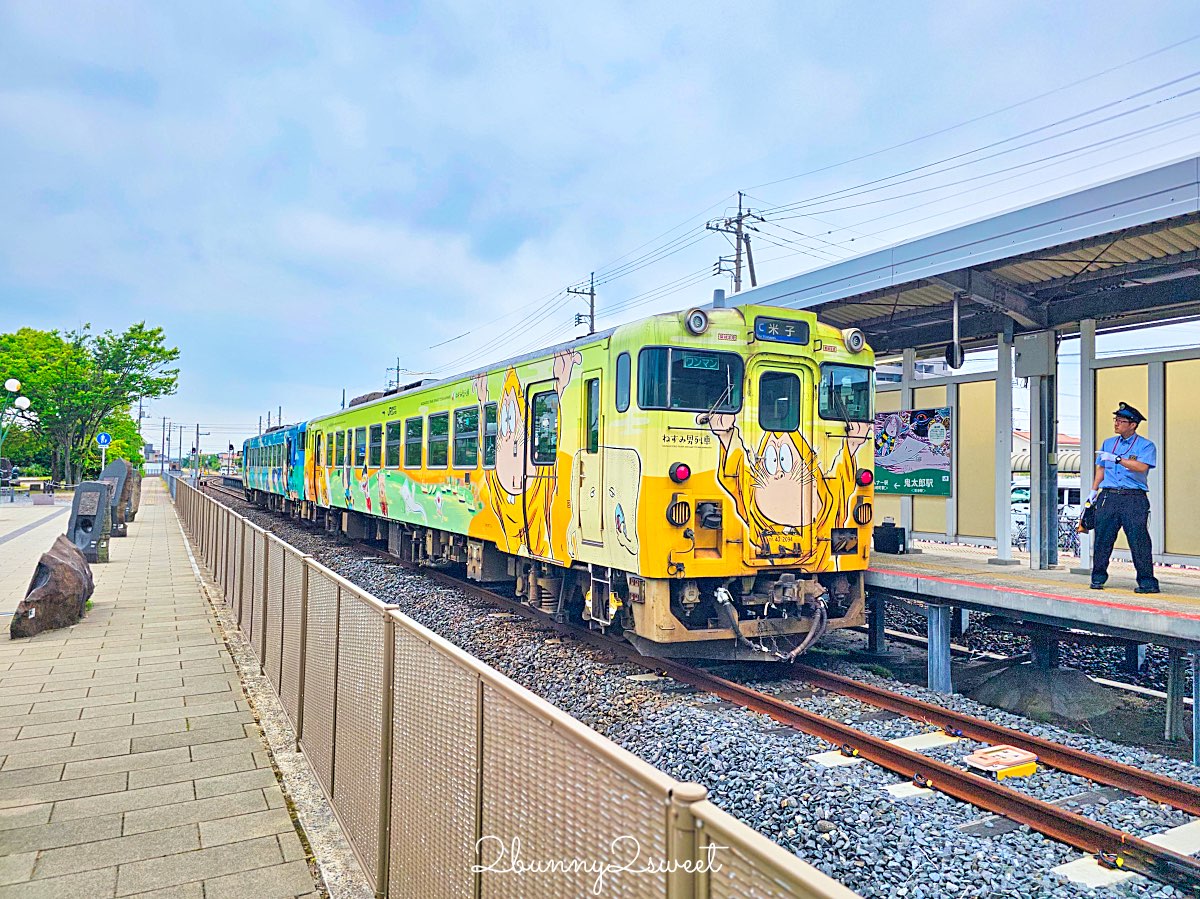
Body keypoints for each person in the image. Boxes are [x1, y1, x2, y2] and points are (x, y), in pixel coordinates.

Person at [1089, 402, 1159, 593]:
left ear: (1133, 424)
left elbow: (1142, 467)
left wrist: (1118, 459)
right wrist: (1093, 492)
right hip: (1109, 495)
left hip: (1133, 497)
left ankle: (1147, 582)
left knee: (1139, 540)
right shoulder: (1108, 443)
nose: (1116, 423)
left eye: (1121, 421)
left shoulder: (1146, 445)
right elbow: (1101, 468)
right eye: (1116, 419)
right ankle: (1097, 578)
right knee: (1102, 538)